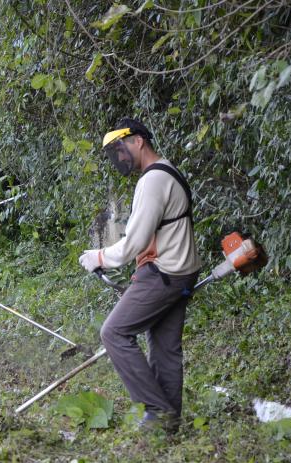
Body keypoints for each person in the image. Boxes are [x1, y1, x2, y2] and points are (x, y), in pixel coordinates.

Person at [78, 118, 201, 431]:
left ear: (138, 141)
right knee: (164, 348)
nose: (120, 158)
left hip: (162, 273)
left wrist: (99, 257)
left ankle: (158, 412)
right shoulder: (168, 171)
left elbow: (134, 242)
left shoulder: (153, 180)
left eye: (121, 149)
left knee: (114, 333)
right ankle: (169, 423)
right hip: (182, 273)